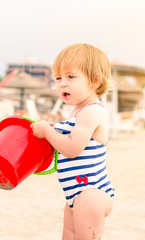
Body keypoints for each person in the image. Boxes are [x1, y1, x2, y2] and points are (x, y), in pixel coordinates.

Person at [30, 43, 115, 239]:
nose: (62, 83)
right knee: (68, 235)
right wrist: (52, 130)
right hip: (75, 192)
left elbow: (72, 148)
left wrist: (46, 132)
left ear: (94, 81)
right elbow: (69, 136)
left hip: (91, 192)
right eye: (58, 78)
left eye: (71, 77)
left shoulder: (92, 111)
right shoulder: (77, 110)